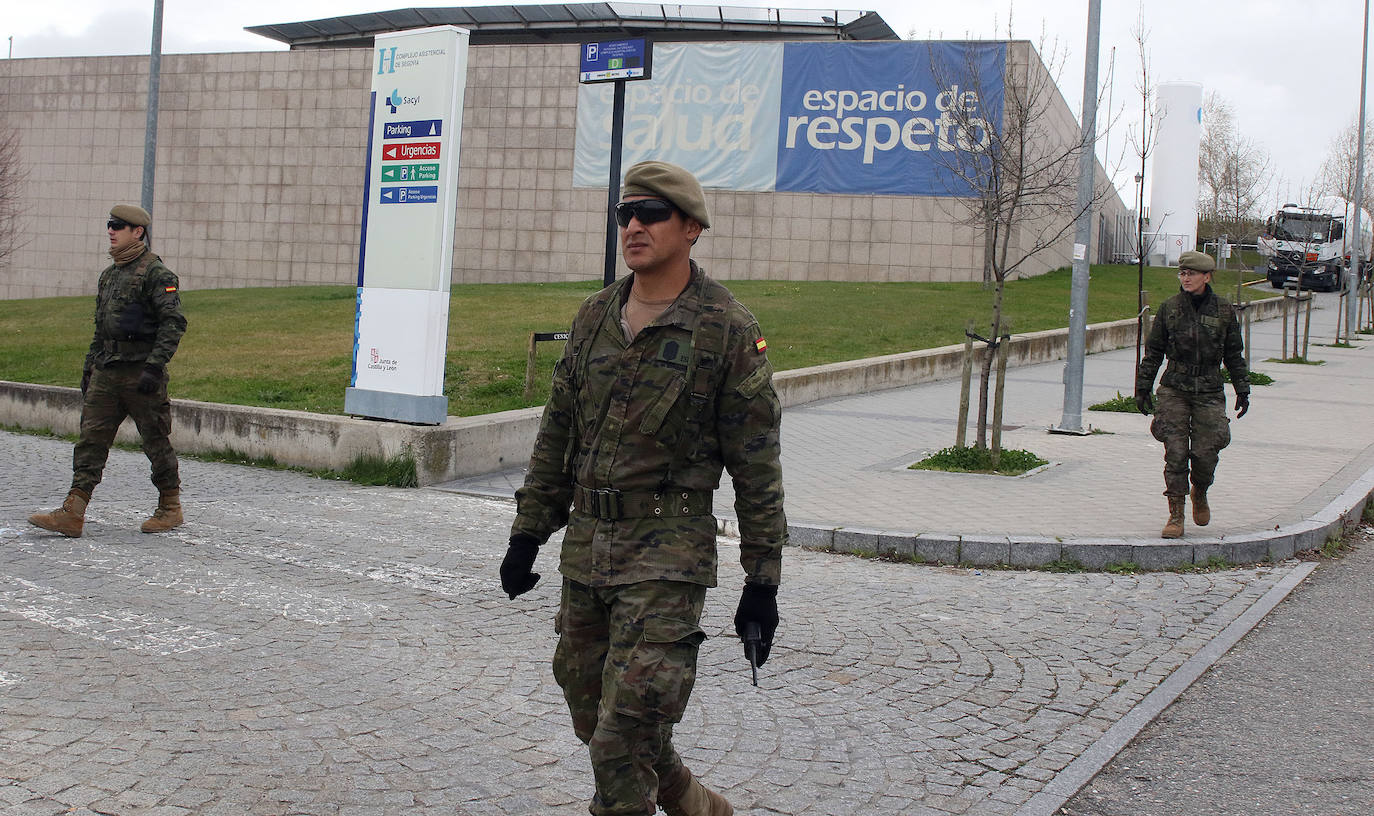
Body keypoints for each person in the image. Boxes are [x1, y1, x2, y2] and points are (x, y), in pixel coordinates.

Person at [500, 161, 786, 816]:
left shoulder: (727, 330)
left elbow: (757, 467)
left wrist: (761, 583)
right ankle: (690, 801)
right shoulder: (596, 315)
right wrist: (527, 536)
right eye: (625, 214)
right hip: (588, 548)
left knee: (622, 736)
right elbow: (556, 437)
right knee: (588, 705)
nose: (633, 225)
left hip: (667, 559)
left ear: (690, 228)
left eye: (651, 214)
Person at [29, 204, 188, 538]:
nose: (111, 231)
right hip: (107, 372)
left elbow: (172, 324)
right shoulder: (110, 275)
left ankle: (170, 506)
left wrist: (154, 368)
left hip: (141, 374)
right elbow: (100, 329)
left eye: (118, 226)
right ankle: (72, 512)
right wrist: (90, 368)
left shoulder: (158, 275)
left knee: (155, 441)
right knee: (90, 440)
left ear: (137, 232)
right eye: (110, 225)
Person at [1134, 249, 1249, 538]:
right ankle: (1176, 514)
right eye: (1182, 273)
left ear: (1206, 276)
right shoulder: (1170, 308)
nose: (1185, 278)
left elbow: (1234, 354)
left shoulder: (1223, 311)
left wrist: (1242, 389)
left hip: (1209, 389)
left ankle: (1200, 488)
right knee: (1175, 451)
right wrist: (1143, 387)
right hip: (1175, 387)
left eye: (1191, 273)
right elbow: (1154, 352)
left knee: (1206, 451)